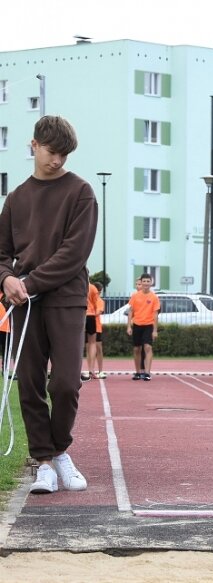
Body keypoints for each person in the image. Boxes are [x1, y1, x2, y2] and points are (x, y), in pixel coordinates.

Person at [0, 115, 98, 493]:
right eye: (52, 152)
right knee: (28, 383)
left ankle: (60, 452)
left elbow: (73, 254)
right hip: (25, 303)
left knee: (66, 383)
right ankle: (43, 462)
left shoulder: (81, 192)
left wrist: (27, 282)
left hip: (66, 298)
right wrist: (7, 279)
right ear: (34, 145)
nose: (58, 160)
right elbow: (2, 254)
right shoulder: (17, 198)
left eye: (64, 155)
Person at [126, 273, 159, 381]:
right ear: (141, 282)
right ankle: (138, 372)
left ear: (151, 283)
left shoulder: (154, 297)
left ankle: (147, 373)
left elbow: (155, 314)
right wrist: (129, 326)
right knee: (137, 349)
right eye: (144, 281)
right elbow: (131, 311)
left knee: (148, 347)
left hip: (148, 325)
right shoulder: (135, 295)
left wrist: (155, 330)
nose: (145, 283)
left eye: (148, 281)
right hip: (137, 325)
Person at [81, 281, 100, 381]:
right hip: (91, 315)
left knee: (78, 342)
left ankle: (78, 370)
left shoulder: (77, 284)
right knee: (92, 343)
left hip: (80, 314)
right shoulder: (92, 287)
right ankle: (91, 370)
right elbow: (97, 303)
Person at [93, 282, 107, 379]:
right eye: (97, 292)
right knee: (88, 350)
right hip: (86, 327)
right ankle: (91, 370)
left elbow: (98, 312)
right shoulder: (87, 299)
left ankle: (100, 370)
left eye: (99, 292)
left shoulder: (100, 301)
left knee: (98, 349)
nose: (98, 294)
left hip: (96, 327)